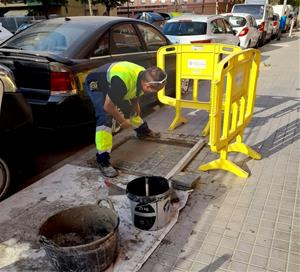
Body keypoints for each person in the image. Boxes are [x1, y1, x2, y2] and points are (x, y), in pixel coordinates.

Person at [84, 61, 167, 177]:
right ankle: (102, 160)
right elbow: (108, 106)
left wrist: (136, 104)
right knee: (105, 118)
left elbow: (136, 89)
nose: (155, 93)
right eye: (155, 91)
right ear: (147, 86)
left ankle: (143, 131)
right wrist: (123, 121)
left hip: (115, 84)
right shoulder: (121, 82)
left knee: (131, 110)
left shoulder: (142, 74)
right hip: (97, 84)